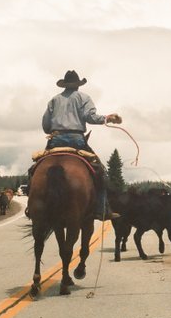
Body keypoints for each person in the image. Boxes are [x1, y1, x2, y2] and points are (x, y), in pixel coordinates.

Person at [36, 69, 121, 220]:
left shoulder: (54, 100)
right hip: (77, 140)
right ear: (78, 85)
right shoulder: (84, 98)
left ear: (64, 85)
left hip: (55, 139)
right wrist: (107, 118)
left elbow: (45, 125)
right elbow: (91, 117)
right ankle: (102, 210)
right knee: (100, 172)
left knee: (35, 168)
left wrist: (54, 128)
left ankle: (34, 207)